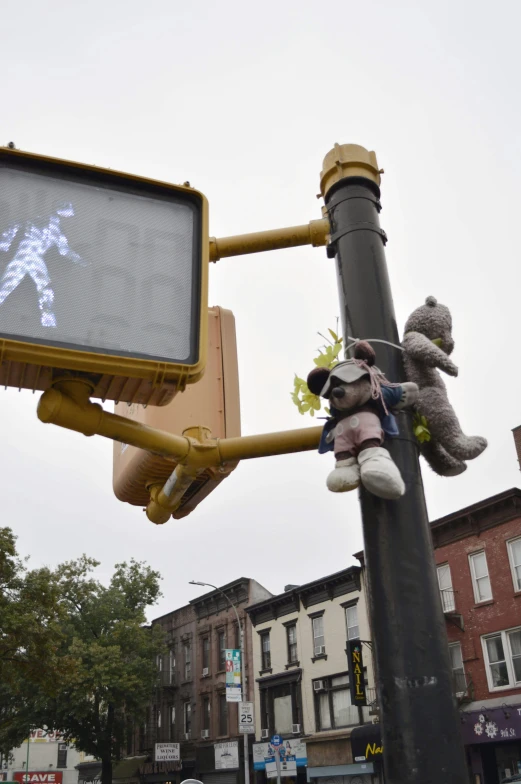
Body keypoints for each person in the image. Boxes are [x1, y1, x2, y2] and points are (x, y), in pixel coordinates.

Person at [0, 202, 85, 327]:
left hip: (32, 257)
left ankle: (48, 320)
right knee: (7, 287)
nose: (71, 216)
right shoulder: (46, 222)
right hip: (26, 254)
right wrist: (4, 243)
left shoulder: (53, 226)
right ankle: (48, 321)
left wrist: (80, 260)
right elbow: (64, 249)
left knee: (43, 288)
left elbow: (63, 249)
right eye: (69, 211)